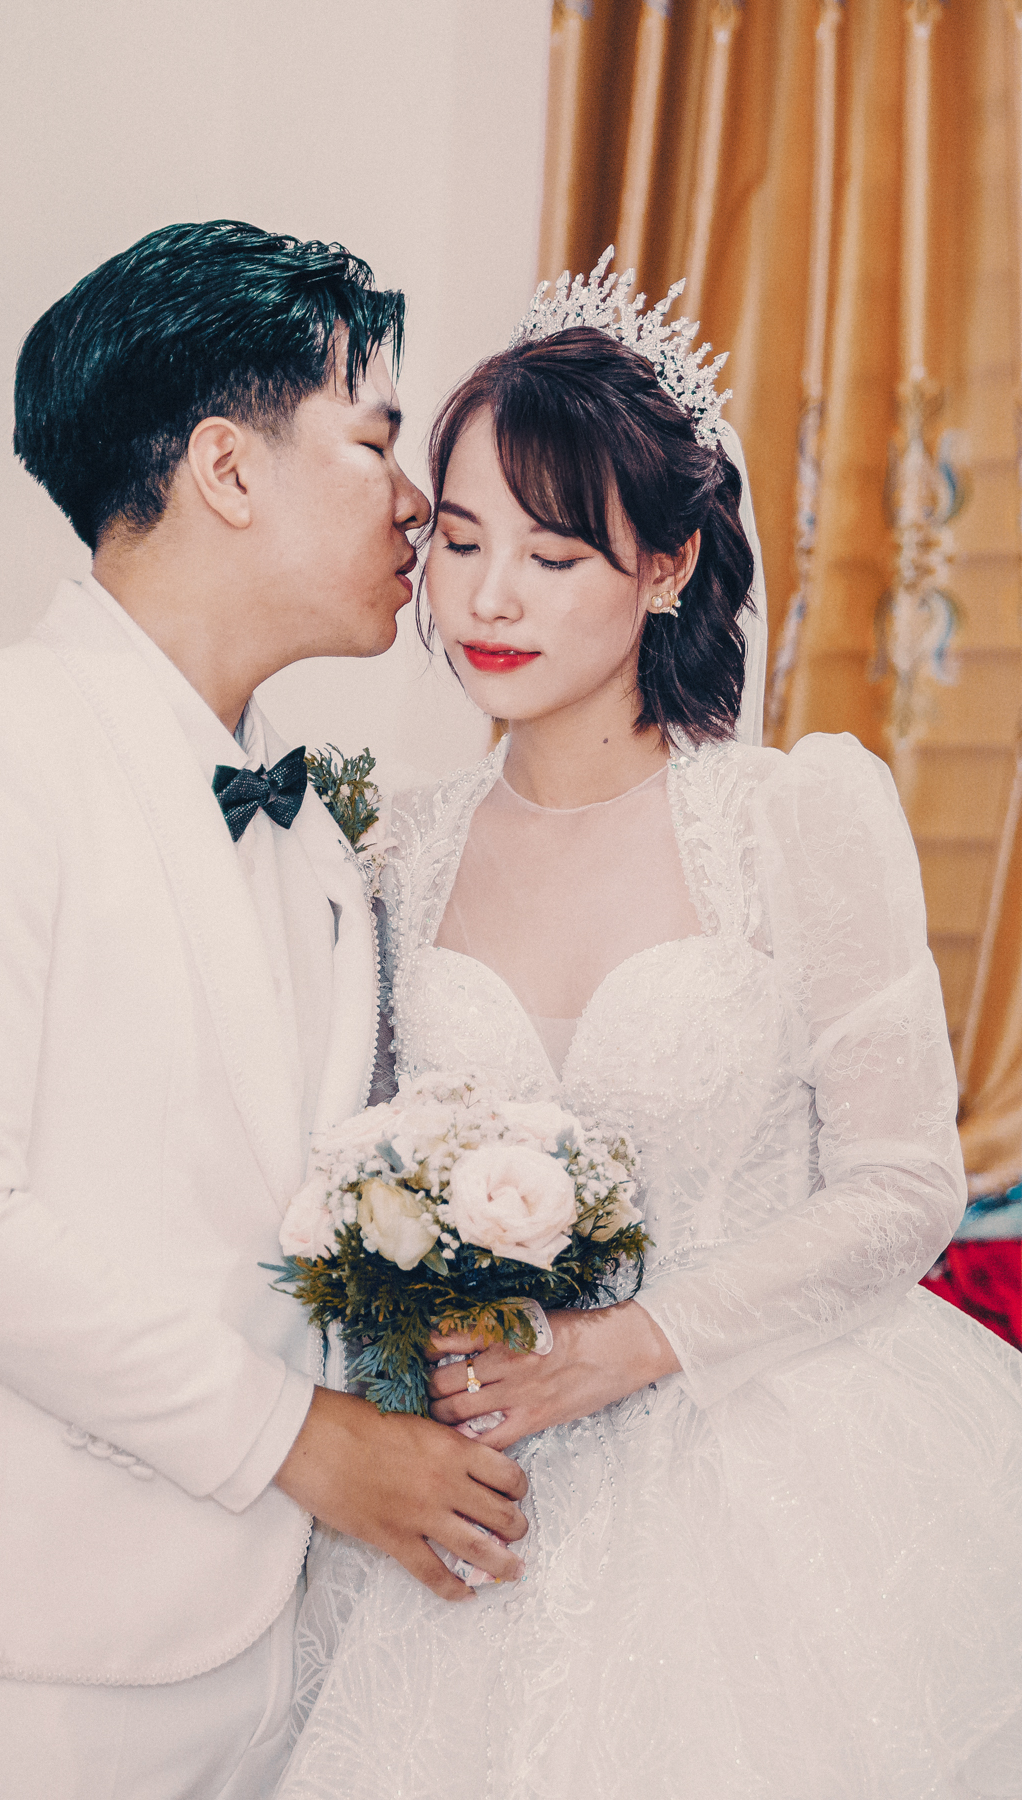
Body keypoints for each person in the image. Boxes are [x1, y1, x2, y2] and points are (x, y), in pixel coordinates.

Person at [278, 271, 1022, 1799]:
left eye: (554, 555)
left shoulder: (797, 815)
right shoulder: (392, 852)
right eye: (461, 542)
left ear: (669, 566)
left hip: (770, 1465)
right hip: (480, 1490)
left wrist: (619, 1350)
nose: (490, 599)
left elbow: (904, 1186)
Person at [0, 220, 529, 1800]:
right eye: (375, 441)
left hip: (289, 1638)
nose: (418, 501)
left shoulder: (316, 831)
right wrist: (304, 1442)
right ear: (226, 467)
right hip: (32, 1651)